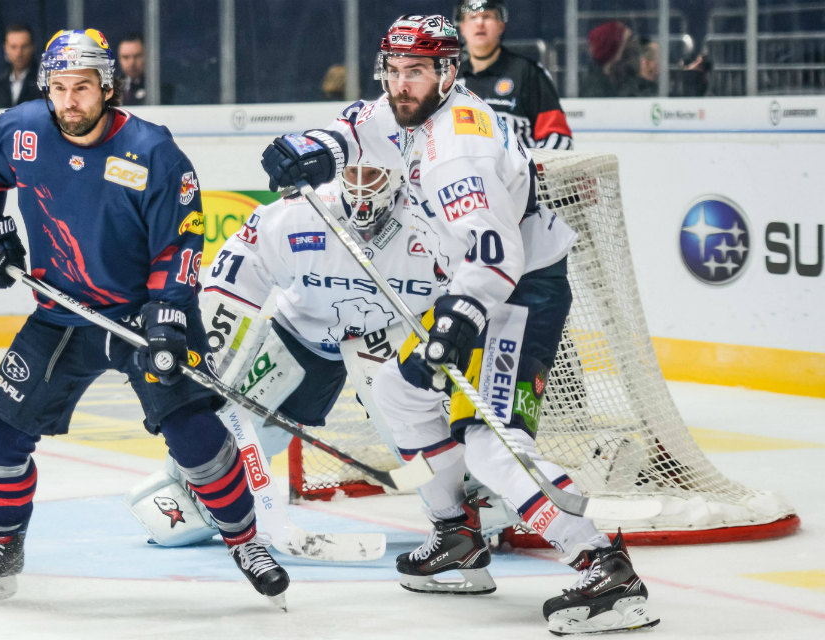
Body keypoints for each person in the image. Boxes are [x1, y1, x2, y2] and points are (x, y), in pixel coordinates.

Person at [259, 14, 659, 635]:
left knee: (491, 443)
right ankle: (457, 537)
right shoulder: (418, 106)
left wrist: (457, 323)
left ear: (446, 72)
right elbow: (356, 126)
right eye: (392, 70)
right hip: (476, 288)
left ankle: (604, 566)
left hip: (519, 293)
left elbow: (499, 257)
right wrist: (308, 151)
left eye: (413, 72)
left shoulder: (459, 150)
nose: (399, 84)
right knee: (398, 391)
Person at [0, 28, 288, 609]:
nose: (69, 100)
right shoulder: (22, 129)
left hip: (145, 316)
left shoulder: (153, 151)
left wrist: (168, 318)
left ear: (108, 87)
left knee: (196, 438)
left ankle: (248, 543)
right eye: (58, 87)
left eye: (82, 87)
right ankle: (3, 545)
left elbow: (180, 243)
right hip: (61, 313)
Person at [127, 162, 451, 546]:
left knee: (414, 419)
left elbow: (472, 281)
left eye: (373, 175)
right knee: (241, 436)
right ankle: (196, 497)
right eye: (354, 174)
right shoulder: (304, 212)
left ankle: (461, 507)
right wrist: (212, 345)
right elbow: (240, 267)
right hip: (305, 334)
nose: (361, 187)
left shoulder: (429, 221)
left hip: (392, 332)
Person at [454, 0, 573, 150]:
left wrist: (529, 170)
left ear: (501, 26)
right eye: (472, 17)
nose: (479, 23)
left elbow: (559, 138)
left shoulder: (528, 73)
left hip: (520, 173)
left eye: (487, 16)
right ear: (462, 28)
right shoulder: (452, 79)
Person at [0, 24, 43, 108]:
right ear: (6, 48)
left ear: (33, 47)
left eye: (24, 46)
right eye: (13, 47)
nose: (19, 53)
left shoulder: (43, 83)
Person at [579, 21, 642, 98]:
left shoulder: (633, 80)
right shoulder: (594, 88)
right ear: (613, 48)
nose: (633, 45)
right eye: (629, 41)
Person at [117, 33, 175, 105]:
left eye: (137, 56)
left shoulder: (159, 88)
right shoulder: (111, 89)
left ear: (147, 57)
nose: (131, 63)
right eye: (126, 57)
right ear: (119, 59)